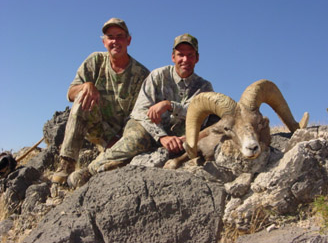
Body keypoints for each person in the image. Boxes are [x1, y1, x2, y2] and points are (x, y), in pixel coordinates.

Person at [68, 33, 213, 188]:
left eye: (190, 55)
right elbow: (140, 111)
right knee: (135, 139)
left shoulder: (204, 87)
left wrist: (170, 105)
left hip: (178, 138)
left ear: (197, 58)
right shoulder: (158, 76)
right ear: (173, 57)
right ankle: (90, 170)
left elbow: (200, 115)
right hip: (148, 128)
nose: (185, 60)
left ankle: (119, 165)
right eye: (180, 55)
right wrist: (162, 136)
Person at [52, 18, 150, 185]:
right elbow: (70, 94)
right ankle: (66, 165)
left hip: (124, 134)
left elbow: (140, 115)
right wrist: (86, 86)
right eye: (110, 37)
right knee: (82, 95)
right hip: (98, 128)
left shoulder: (142, 75)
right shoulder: (95, 61)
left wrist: (119, 138)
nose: (115, 41)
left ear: (128, 40)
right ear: (104, 42)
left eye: (120, 36)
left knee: (141, 135)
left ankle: (92, 169)